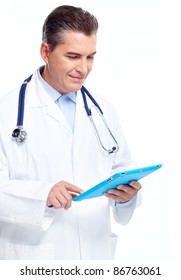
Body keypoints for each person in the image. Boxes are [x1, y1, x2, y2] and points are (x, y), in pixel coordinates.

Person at [0, 5, 141, 260]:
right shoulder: (6, 112)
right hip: (34, 260)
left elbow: (121, 169)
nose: (84, 68)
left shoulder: (103, 112)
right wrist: (42, 195)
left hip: (94, 255)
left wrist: (127, 195)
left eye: (91, 57)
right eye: (74, 56)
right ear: (46, 51)